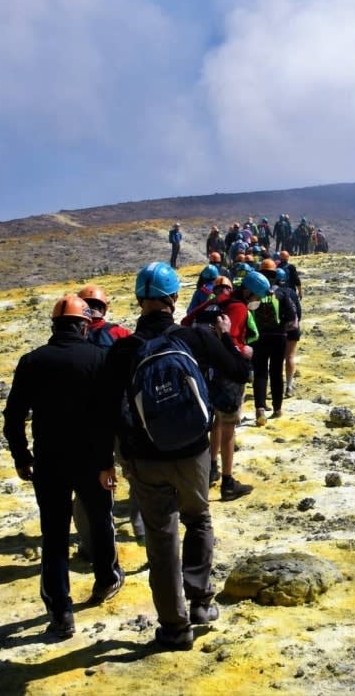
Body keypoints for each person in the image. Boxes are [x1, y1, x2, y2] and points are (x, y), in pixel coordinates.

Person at [96, 262, 249, 650]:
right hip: (195, 450)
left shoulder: (124, 349)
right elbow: (238, 370)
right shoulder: (195, 337)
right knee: (198, 518)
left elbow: (105, 411)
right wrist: (228, 339)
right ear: (174, 298)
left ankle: (174, 628)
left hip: (145, 457)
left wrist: (106, 461)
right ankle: (200, 602)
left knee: (162, 539)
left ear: (139, 300)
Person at [3, 295, 123, 638]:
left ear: (54, 326)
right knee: (101, 522)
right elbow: (109, 417)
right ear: (84, 325)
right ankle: (105, 580)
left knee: (54, 536)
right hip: (92, 461)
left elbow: (13, 417)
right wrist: (106, 463)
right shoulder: (101, 358)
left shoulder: (32, 361)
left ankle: (61, 612)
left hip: (49, 463)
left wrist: (22, 457)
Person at [72, 285, 140, 550]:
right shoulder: (119, 333)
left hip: (87, 420)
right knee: (134, 473)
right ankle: (140, 527)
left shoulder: (75, 337)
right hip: (121, 415)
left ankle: (91, 541)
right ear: (105, 307)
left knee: (90, 481)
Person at [194, 300, 254, 500]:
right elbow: (241, 369)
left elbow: (187, 319)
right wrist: (229, 337)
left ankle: (211, 468)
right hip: (228, 380)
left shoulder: (206, 309)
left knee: (214, 422)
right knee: (228, 425)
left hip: (207, 377)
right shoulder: (238, 311)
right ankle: (227, 482)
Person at [246, 266, 296, 424]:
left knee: (260, 372)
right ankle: (277, 408)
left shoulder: (255, 293)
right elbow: (291, 319)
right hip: (279, 338)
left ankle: (260, 409)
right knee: (276, 372)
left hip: (258, 338)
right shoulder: (281, 293)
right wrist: (283, 329)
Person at [275, 267, 302, 397]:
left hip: (277, 330)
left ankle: (277, 386)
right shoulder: (291, 292)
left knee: (277, 359)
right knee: (290, 357)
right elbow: (299, 312)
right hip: (293, 328)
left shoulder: (271, 293)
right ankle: (289, 386)